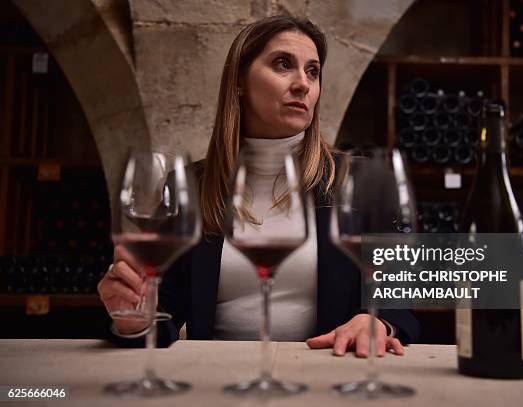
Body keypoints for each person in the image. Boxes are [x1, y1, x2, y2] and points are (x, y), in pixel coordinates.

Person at [97, 15, 419, 357]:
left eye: (312, 72)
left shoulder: (355, 180)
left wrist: (378, 322)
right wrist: (133, 316)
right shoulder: (189, 186)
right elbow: (164, 311)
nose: (303, 84)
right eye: (283, 65)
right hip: (216, 379)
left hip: (330, 373)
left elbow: (402, 292)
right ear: (239, 80)